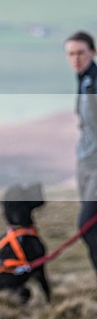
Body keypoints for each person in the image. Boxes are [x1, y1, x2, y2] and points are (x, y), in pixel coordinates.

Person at [0, 183, 51, 304]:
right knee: (23, 293)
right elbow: (40, 273)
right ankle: (47, 301)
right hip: (9, 292)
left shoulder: (6, 239)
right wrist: (49, 299)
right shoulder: (30, 242)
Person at [65, 31, 97, 276]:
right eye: (71, 54)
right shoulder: (84, 80)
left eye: (80, 53)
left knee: (87, 226)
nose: (75, 59)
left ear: (93, 53)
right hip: (85, 164)